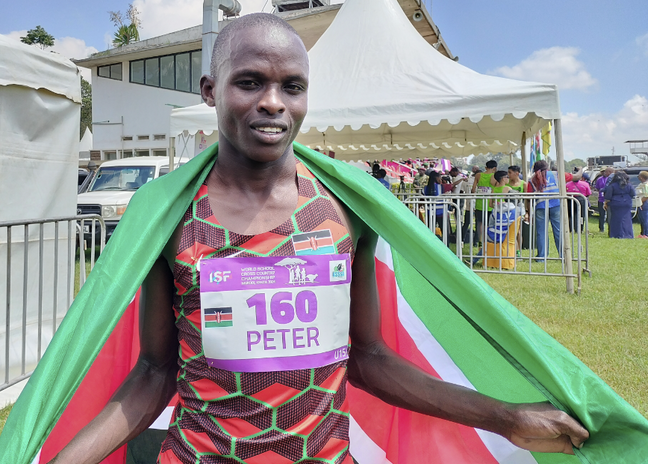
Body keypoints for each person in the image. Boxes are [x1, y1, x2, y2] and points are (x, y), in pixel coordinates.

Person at [50, 14, 587, 463]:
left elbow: (369, 357)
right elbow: (153, 371)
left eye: (292, 86)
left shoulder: (346, 212)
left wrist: (505, 417)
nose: (273, 102)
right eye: (250, 81)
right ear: (211, 90)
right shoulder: (167, 216)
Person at [526, 160, 562, 261]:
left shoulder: (532, 180)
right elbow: (574, 177)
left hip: (540, 206)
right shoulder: (556, 174)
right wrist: (580, 171)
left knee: (541, 233)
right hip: (556, 205)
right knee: (558, 231)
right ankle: (563, 256)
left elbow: (528, 198)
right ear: (547, 167)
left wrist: (528, 212)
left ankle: (542, 257)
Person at [471, 160, 498, 245]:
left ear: (486, 167)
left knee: (479, 223)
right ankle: (487, 240)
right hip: (490, 204)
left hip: (479, 202)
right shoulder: (494, 177)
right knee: (489, 223)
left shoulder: (478, 175)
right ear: (495, 168)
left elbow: (473, 189)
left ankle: (479, 241)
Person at [603, 171, 636, 239]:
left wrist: (606, 203)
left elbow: (608, 196)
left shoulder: (612, 185)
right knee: (627, 219)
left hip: (615, 203)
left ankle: (616, 234)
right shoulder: (629, 185)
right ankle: (628, 234)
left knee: (616, 219)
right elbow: (633, 194)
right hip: (627, 203)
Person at [423, 170, 452, 243]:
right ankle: (446, 247)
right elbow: (452, 186)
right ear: (436, 178)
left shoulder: (425, 188)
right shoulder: (441, 187)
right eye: (440, 178)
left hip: (430, 212)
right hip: (441, 212)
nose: (441, 180)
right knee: (445, 232)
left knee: (430, 232)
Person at [593, 167, 613, 233]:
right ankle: (601, 228)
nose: (604, 173)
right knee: (601, 215)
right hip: (601, 200)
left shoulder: (610, 179)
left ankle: (610, 228)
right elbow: (597, 188)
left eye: (605, 171)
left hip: (609, 200)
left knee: (610, 215)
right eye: (603, 171)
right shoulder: (599, 179)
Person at [637, 171, 648, 238]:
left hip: (644, 203)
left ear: (641, 177)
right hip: (642, 203)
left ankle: (646, 234)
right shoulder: (643, 184)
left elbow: (646, 196)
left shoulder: (645, 185)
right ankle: (643, 233)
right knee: (642, 218)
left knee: (645, 219)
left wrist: (640, 202)